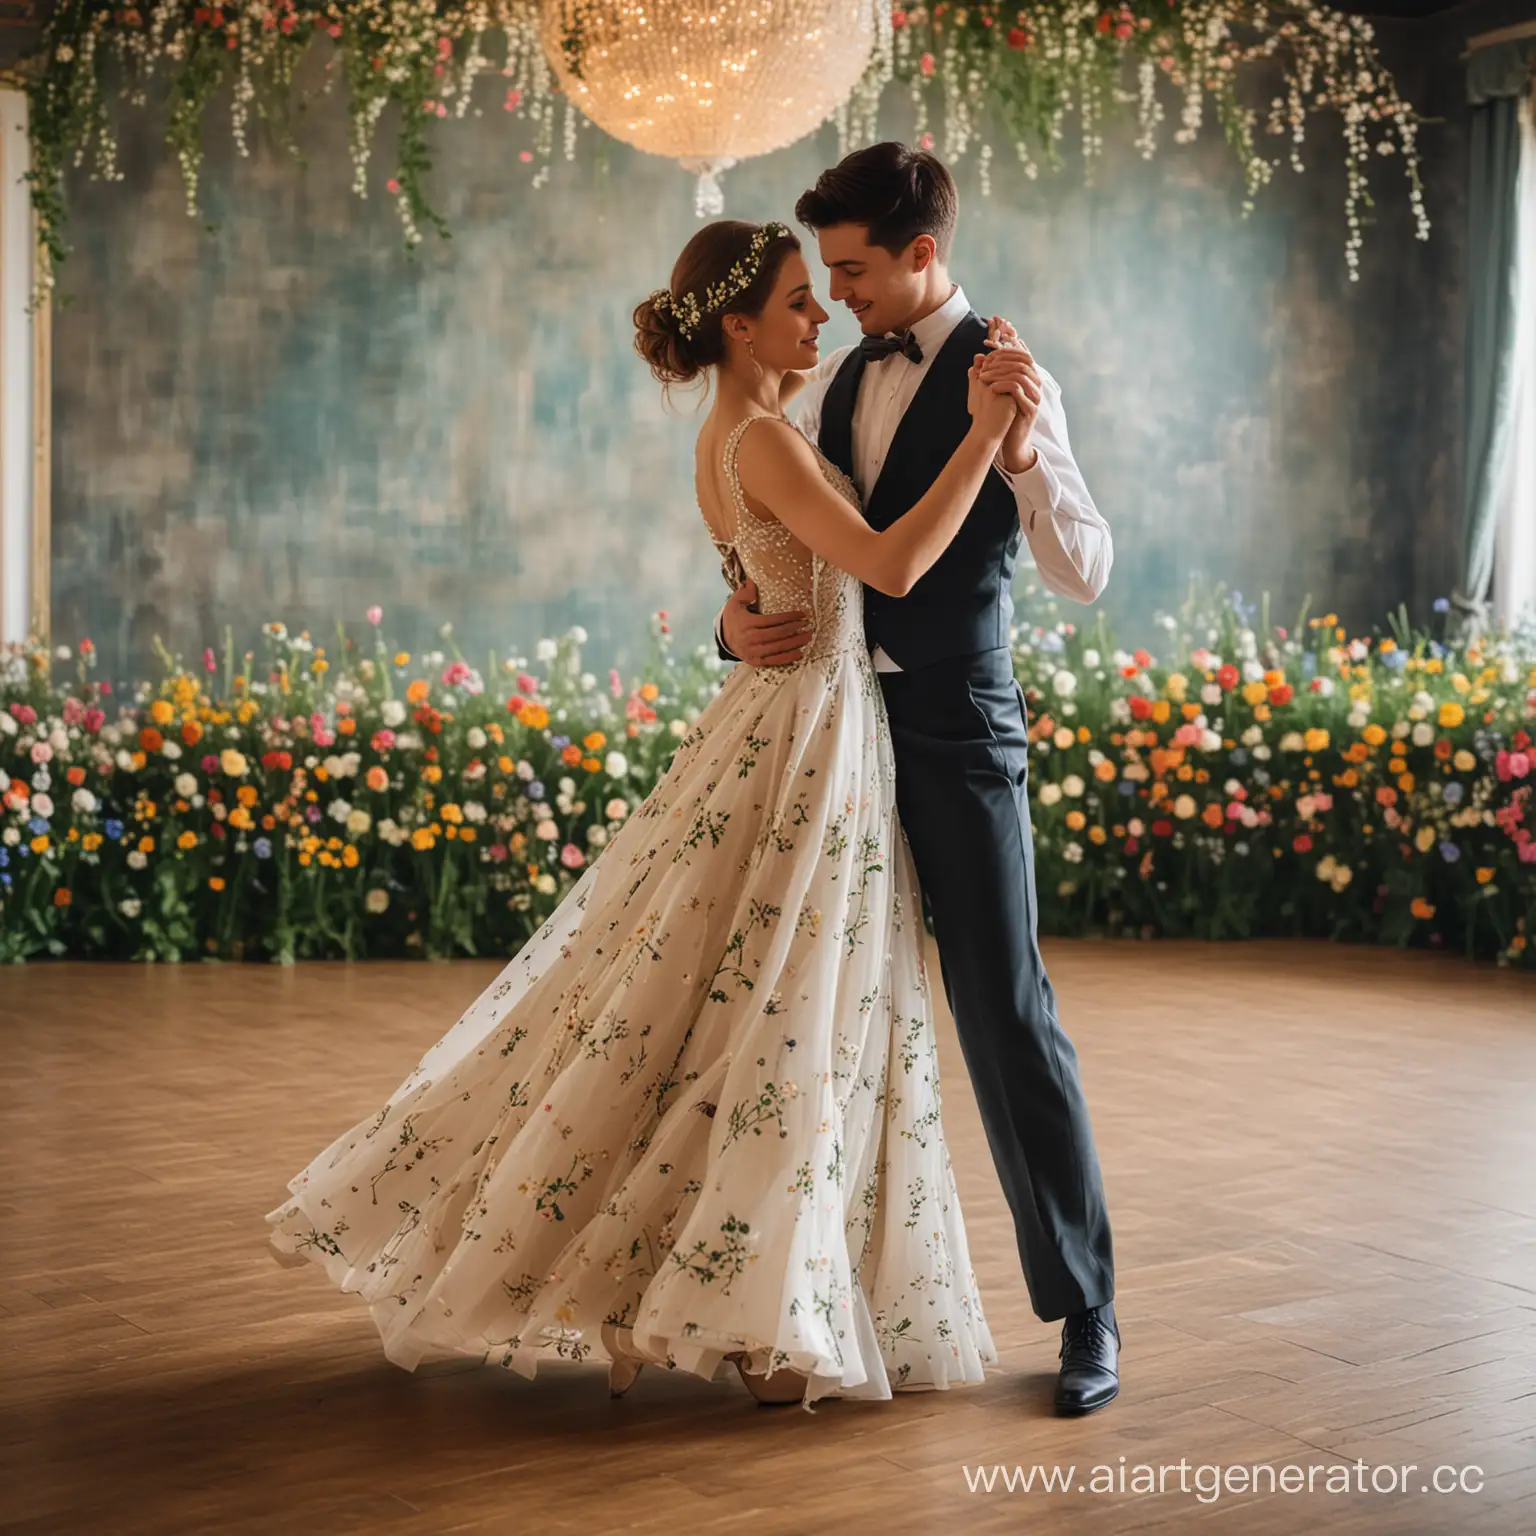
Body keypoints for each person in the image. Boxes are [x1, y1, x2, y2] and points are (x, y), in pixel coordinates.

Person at [266, 216, 1027, 1412]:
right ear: (738, 325)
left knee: (754, 1009)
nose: (819, 314)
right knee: (784, 1008)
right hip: (806, 745)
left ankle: (764, 1311)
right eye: (794, 300)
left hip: (790, 723)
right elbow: (887, 570)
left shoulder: (740, 431)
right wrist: (987, 434)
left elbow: (763, 583)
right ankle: (766, 1321)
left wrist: (736, 620)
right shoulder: (766, 438)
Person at [716, 142, 1121, 1415]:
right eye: (823, 273)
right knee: (816, 1016)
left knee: (1003, 1011)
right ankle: (814, 1306)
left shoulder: (1013, 378)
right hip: (829, 741)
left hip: (956, 734)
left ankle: (1087, 1309)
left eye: (853, 270)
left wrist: (1017, 455)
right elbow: (785, 556)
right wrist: (722, 628)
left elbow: (1087, 570)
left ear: (922, 254)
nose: (835, 295)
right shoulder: (830, 381)